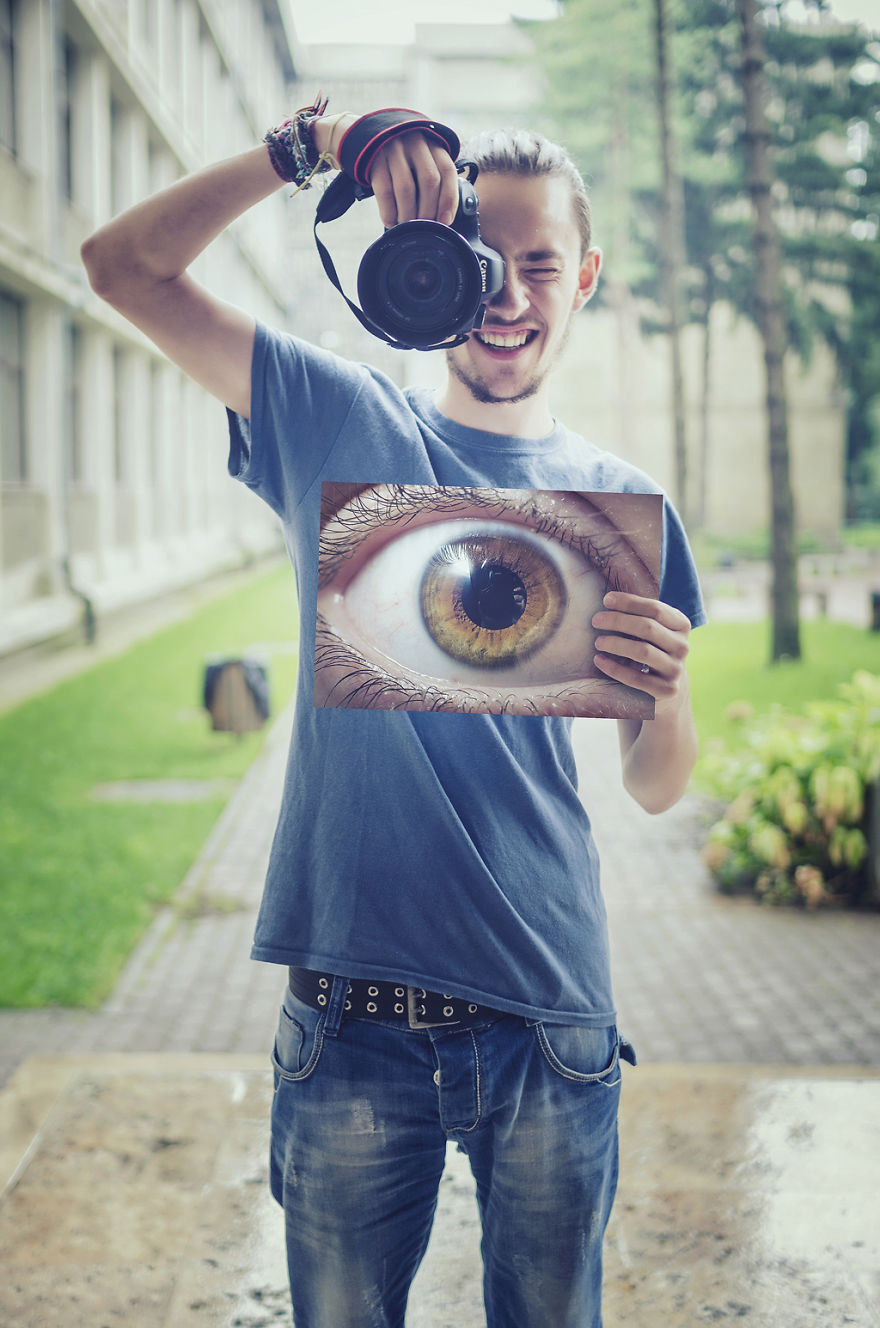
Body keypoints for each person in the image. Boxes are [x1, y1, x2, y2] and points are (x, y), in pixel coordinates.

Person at [82, 98, 705, 1328]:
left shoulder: (620, 501)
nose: (510, 292)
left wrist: (668, 688)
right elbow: (120, 268)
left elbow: (655, 781)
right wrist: (307, 150)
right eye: (485, 253)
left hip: (551, 1016)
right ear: (429, 263)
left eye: (541, 262)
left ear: (582, 277)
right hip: (351, 1021)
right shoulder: (341, 421)